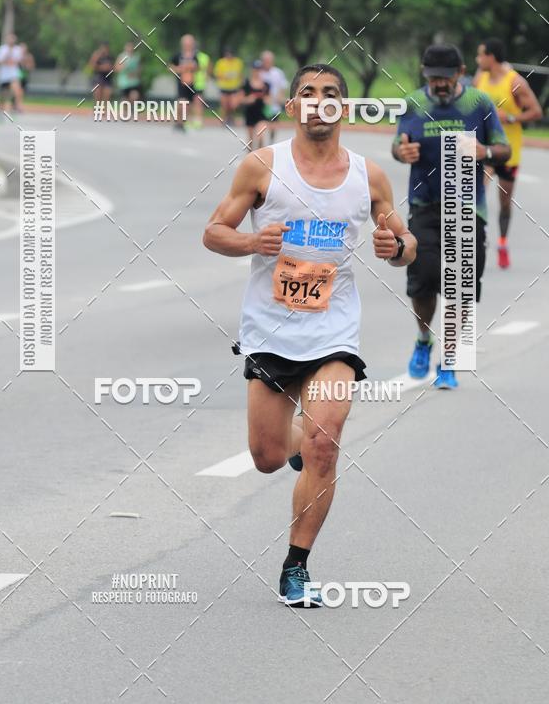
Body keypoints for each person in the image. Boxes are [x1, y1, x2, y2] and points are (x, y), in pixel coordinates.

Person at [204, 63, 416, 607]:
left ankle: (297, 565)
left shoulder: (368, 177)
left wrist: (398, 249)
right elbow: (214, 232)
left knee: (325, 442)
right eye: (307, 93)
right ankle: (295, 442)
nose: (318, 101)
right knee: (268, 457)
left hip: (334, 329)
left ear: (341, 108)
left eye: (329, 94)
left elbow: (403, 239)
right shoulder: (261, 167)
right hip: (270, 331)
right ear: (293, 106)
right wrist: (253, 244)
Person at [393, 44, 511, 389]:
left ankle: (449, 360)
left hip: (467, 208)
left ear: (460, 72)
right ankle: (423, 339)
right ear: (424, 73)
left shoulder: (480, 104)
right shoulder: (414, 103)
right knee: (423, 280)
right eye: (433, 78)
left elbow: (505, 149)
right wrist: (402, 152)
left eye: (445, 78)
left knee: (459, 287)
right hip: (424, 205)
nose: (439, 85)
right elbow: (397, 145)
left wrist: (484, 151)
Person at [473, 38, 542, 268]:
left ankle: (502, 242)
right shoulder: (479, 79)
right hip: (484, 150)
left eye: (480, 55)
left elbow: (536, 112)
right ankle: (476, 241)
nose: (477, 59)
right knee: (475, 194)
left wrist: (510, 117)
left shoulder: (515, 83)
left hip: (508, 151)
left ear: (491, 57)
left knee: (504, 202)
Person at [170, 34, 199, 132]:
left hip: (191, 83)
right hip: (181, 82)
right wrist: (179, 69)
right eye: (186, 43)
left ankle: (183, 123)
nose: (188, 45)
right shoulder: (178, 55)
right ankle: (178, 122)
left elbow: (197, 67)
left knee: (188, 104)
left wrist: (191, 67)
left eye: (190, 44)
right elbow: (171, 66)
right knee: (181, 102)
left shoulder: (195, 56)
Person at [240, 61, 270, 151]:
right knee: (250, 138)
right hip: (250, 112)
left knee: (261, 136)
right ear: (252, 70)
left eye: (259, 70)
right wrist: (249, 99)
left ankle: (260, 156)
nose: (257, 72)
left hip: (261, 113)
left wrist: (265, 100)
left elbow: (269, 99)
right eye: (255, 69)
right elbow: (241, 99)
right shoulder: (246, 84)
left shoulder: (266, 85)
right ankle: (250, 157)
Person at [260, 50, 288, 143]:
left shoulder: (278, 72)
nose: (267, 62)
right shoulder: (259, 73)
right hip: (262, 104)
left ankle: (271, 142)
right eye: (265, 60)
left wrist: (280, 97)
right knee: (261, 125)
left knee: (273, 125)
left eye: (269, 60)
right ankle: (261, 144)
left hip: (274, 104)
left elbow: (283, 86)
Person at [0, 33, 24, 117]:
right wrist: (8, 54)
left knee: (16, 90)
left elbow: (19, 61)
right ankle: (1, 108)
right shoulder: (2, 49)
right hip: (3, 75)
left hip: (13, 74)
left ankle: (16, 106)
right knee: (3, 93)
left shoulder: (18, 49)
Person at [213, 48, 244, 125]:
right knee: (225, 104)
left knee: (233, 104)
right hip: (224, 86)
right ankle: (224, 119)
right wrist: (225, 76)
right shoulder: (221, 62)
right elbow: (217, 74)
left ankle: (231, 117)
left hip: (234, 86)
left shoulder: (238, 62)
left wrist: (241, 84)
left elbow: (240, 74)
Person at [192, 46, 212, 129]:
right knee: (198, 102)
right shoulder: (205, 56)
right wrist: (207, 76)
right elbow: (210, 67)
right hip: (199, 82)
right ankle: (198, 121)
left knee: (195, 102)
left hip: (196, 82)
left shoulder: (191, 56)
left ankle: (197, 121)